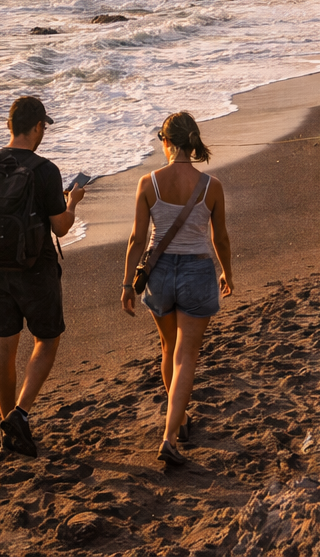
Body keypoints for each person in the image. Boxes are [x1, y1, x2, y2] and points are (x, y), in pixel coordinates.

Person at [0, 95, 84, 458]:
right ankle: (19, 415)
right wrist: (73, 201)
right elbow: (60, 228)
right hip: (36, 268)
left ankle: (7, 424)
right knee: (47, 340)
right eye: (43, 126)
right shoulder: (46, 170)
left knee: (4, 344)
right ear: (37, 127)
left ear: (8, 125)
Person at [120, 111, 234, 467]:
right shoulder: (210, 186)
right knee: (186, 355)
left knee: (168, 349)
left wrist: (126, 283)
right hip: (197, 271)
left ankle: (179, 419)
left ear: (166, 142)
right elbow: (221, 238)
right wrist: (228, 273)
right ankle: (170, 435)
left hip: (160, 272)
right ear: (192, 141)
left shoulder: (148, 183)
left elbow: (138, 239)